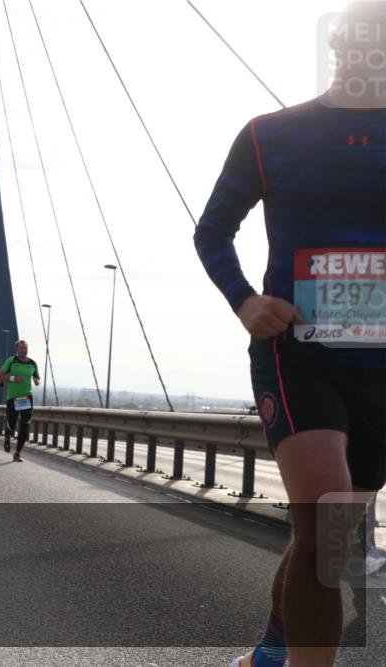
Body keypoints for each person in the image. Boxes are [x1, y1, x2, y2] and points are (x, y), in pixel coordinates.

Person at [193, 5, 385, 665]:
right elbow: (212, 230)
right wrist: (245, 302)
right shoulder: (270, 135)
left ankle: (273, 649)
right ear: (335, 42)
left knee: (327, 543)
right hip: (297, 354)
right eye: (361, 36)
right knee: (326, 517)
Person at [0, 340, 41, 462]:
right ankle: (7, 437)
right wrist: (14, 378)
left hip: (27, 397)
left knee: (25, 426)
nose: (23, 350)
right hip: (13, 398)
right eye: (21, 348)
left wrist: (37, 381)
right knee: (12, 422)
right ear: (17, 349)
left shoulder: (32, 363)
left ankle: (17, 453)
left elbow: (37, 377)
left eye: (25, 348)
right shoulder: (11, 361)